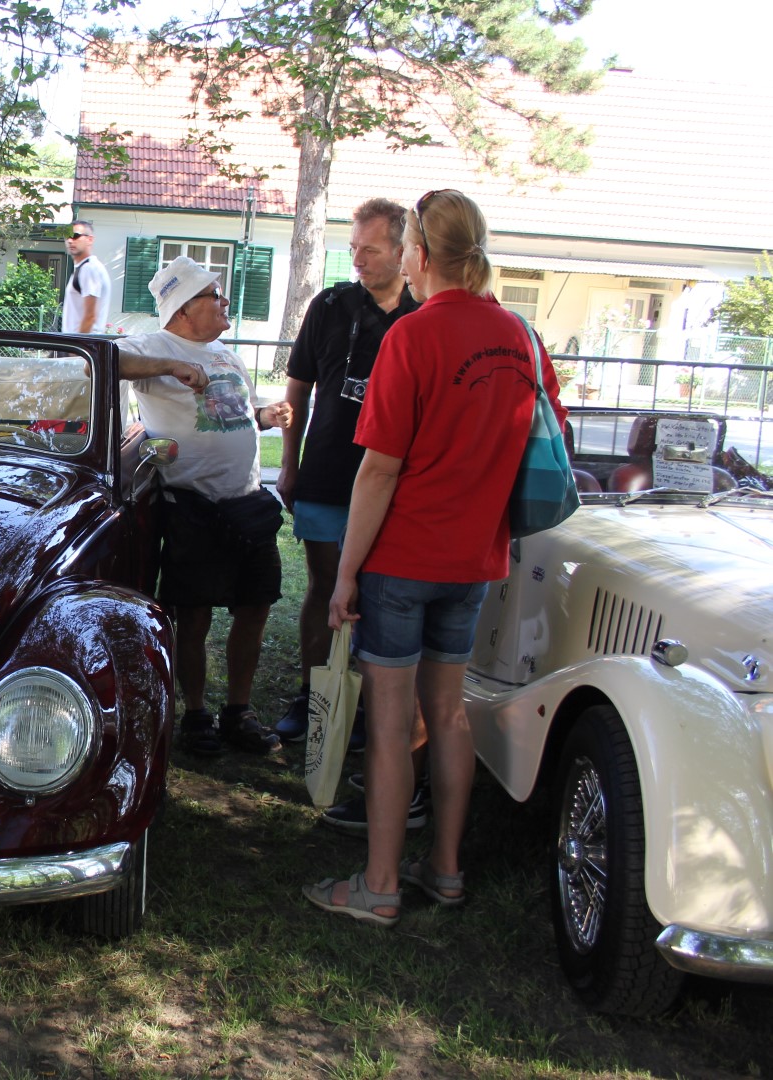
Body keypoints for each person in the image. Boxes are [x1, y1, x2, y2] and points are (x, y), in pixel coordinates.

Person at [303, 189, 566, 927]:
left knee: (391, 725)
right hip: (475, 559)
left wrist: (346, 572)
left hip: (402, 560)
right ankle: (445, 871)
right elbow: (544, 434)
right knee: (449, 717)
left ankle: (380, 884)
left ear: (419, 252)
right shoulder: (520, 335)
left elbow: (379, 469)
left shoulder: (413, 336)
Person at [117, 255, 293, 756]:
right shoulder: (153, 345)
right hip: (192, 506)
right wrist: (171, 365)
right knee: (192, 617)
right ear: (184, 308)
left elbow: (239, 416)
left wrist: (266, 415)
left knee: (254, 607)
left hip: (247, 502)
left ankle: (239, 712)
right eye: (214, 295)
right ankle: (195, 715)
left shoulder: (227, 355)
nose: (224, 302)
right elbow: (105, 361)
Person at [274, 198, 420, 746]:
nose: (357, 260)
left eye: (371, 250)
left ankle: (366, 708)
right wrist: (290, 462)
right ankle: (314, 698)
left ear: (404, 252)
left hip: (399, 487)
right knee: (324, 586)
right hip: (329, 472)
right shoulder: (331, 304)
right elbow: (298, 389)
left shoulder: (422, 314)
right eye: (353, 248)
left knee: (381, 597)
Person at [62, 220, 112, 334]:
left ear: (89, 239)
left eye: (75, 236)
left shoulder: (89, 269)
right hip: (77, 345)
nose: (70, 240)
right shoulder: (84, 268)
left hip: (80, 347)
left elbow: (90, 316)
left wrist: (76, 350)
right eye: (67, 236)